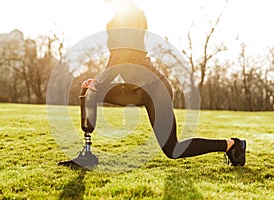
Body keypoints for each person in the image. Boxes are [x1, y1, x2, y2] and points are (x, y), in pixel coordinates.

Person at [58, 0, 246, 168]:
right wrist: (97, 82)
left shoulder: (132, 16)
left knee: (173, 149)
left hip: (156, 89)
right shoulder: (114, 22)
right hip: (136, 89)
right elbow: (114, 58)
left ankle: (231, 145)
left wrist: (99, 81)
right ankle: (87, 155)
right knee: (89, 92)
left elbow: (122, 57)